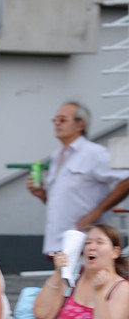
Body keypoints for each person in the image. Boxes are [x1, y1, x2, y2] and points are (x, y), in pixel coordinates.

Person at [26, 101, 129, 258]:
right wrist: (42, 194)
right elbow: (61, 201)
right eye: (55, 120)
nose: (57, 123)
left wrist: (97, 212)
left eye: (63, 119)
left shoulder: (94, 153)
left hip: (86, 243)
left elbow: (126, 179)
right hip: (58, 244)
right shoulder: (56, 155)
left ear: (79, 125)